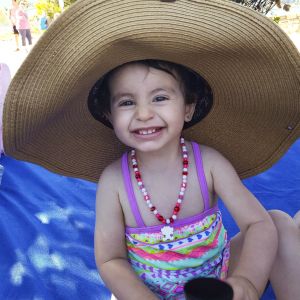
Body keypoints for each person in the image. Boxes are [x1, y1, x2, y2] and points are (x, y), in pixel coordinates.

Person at [2, 1, 299, 300]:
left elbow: (256, 223)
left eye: (159, 98)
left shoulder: (208, 163)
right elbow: (110, 260)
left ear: (188, 108)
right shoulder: (114, 181)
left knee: (278, 223)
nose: (143, 113)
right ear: (108, 115)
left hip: (217, 280)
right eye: (127, 102)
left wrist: (246, 281)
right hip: (147, 292)